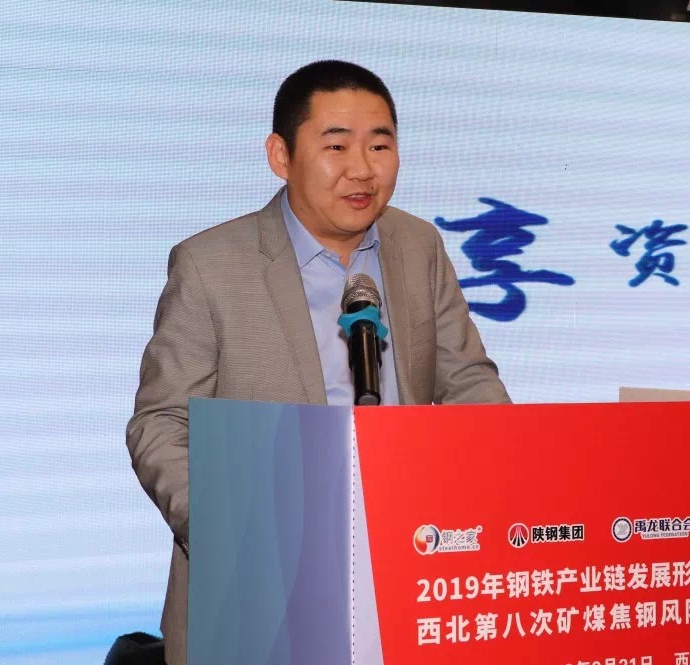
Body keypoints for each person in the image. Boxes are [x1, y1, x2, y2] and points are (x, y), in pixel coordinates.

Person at [126, 60, 510, 665]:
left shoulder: (419, 246)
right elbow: (160, 423)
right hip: (262, 588)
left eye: (380, 144)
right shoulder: (211, 265)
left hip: (405, 568)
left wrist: (507, 485)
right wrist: (230, 534)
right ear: (281, 155)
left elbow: (467, 380)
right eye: (336, 146)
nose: (362, 169)